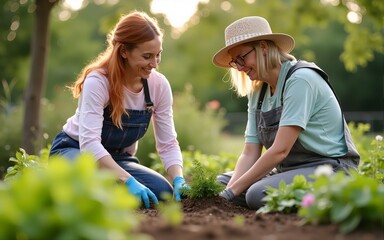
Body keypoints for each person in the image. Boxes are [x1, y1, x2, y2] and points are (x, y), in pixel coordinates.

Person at [212, 16, 360, 209]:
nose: (239, 67)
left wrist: (231, 194)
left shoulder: (301, 80)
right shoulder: (258, 91)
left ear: (263, 47)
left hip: (329, 168)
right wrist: (229, 190)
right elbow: (250, 152)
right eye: (234, 62)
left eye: (242, 57)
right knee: (219, 183)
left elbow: (280, 151)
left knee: (257, 193)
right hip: (288, 171)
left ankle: (337, 197)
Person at [49, 10, 189, 208]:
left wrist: (178, 179)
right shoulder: (98, 81)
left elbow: (167, 143)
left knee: (162, 192)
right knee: (85, 180)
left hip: (119, 158)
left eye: (158, 55)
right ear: (124, 51)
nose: (154, 64)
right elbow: (89, 144)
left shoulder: (158, 86)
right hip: (75, 150)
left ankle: (109, 192)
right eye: (147, 56)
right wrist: (129, 181)